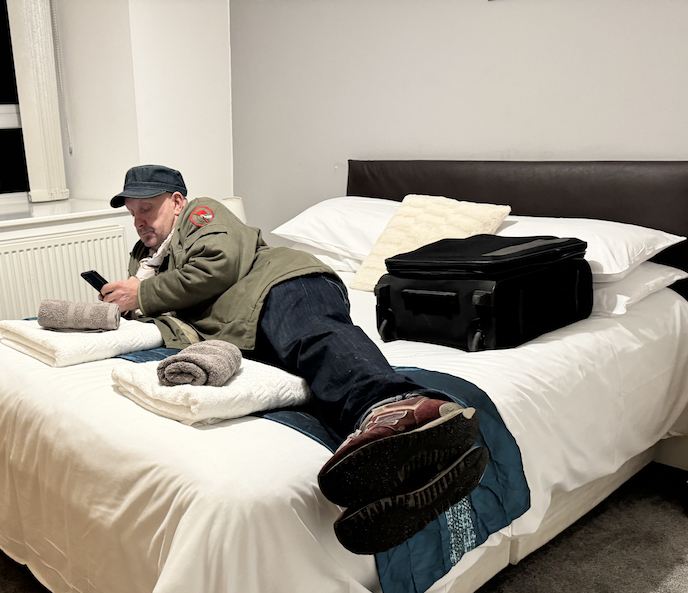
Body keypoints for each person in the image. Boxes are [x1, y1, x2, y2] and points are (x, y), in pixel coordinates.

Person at [101, 165, 489, 554]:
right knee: (321, 382)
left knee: (313, 338)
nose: (139, 222)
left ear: (177, 202)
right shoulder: (146, 258)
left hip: (279, 283)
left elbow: (218, 265)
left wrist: (143, 294)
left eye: (147, 209)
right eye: (133, 214)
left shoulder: (200, 214)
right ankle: (407, 479)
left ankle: (398, 404)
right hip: (244, 325)